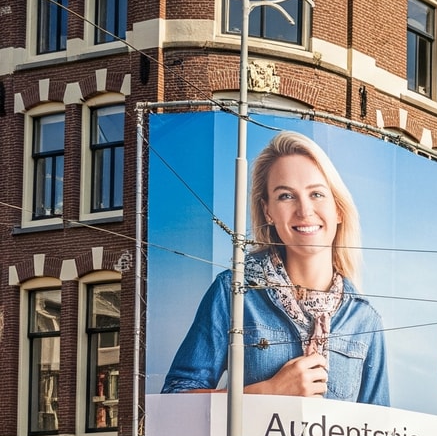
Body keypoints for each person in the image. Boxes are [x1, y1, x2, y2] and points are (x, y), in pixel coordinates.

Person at [164, 131, 389, 404]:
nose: (304, 210)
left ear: (338, 209)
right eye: (286, 196)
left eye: (317, 194)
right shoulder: (233, 294)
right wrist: (268, 392)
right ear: (268, 211)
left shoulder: (366, 320)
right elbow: (174, 400)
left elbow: (375, 435)